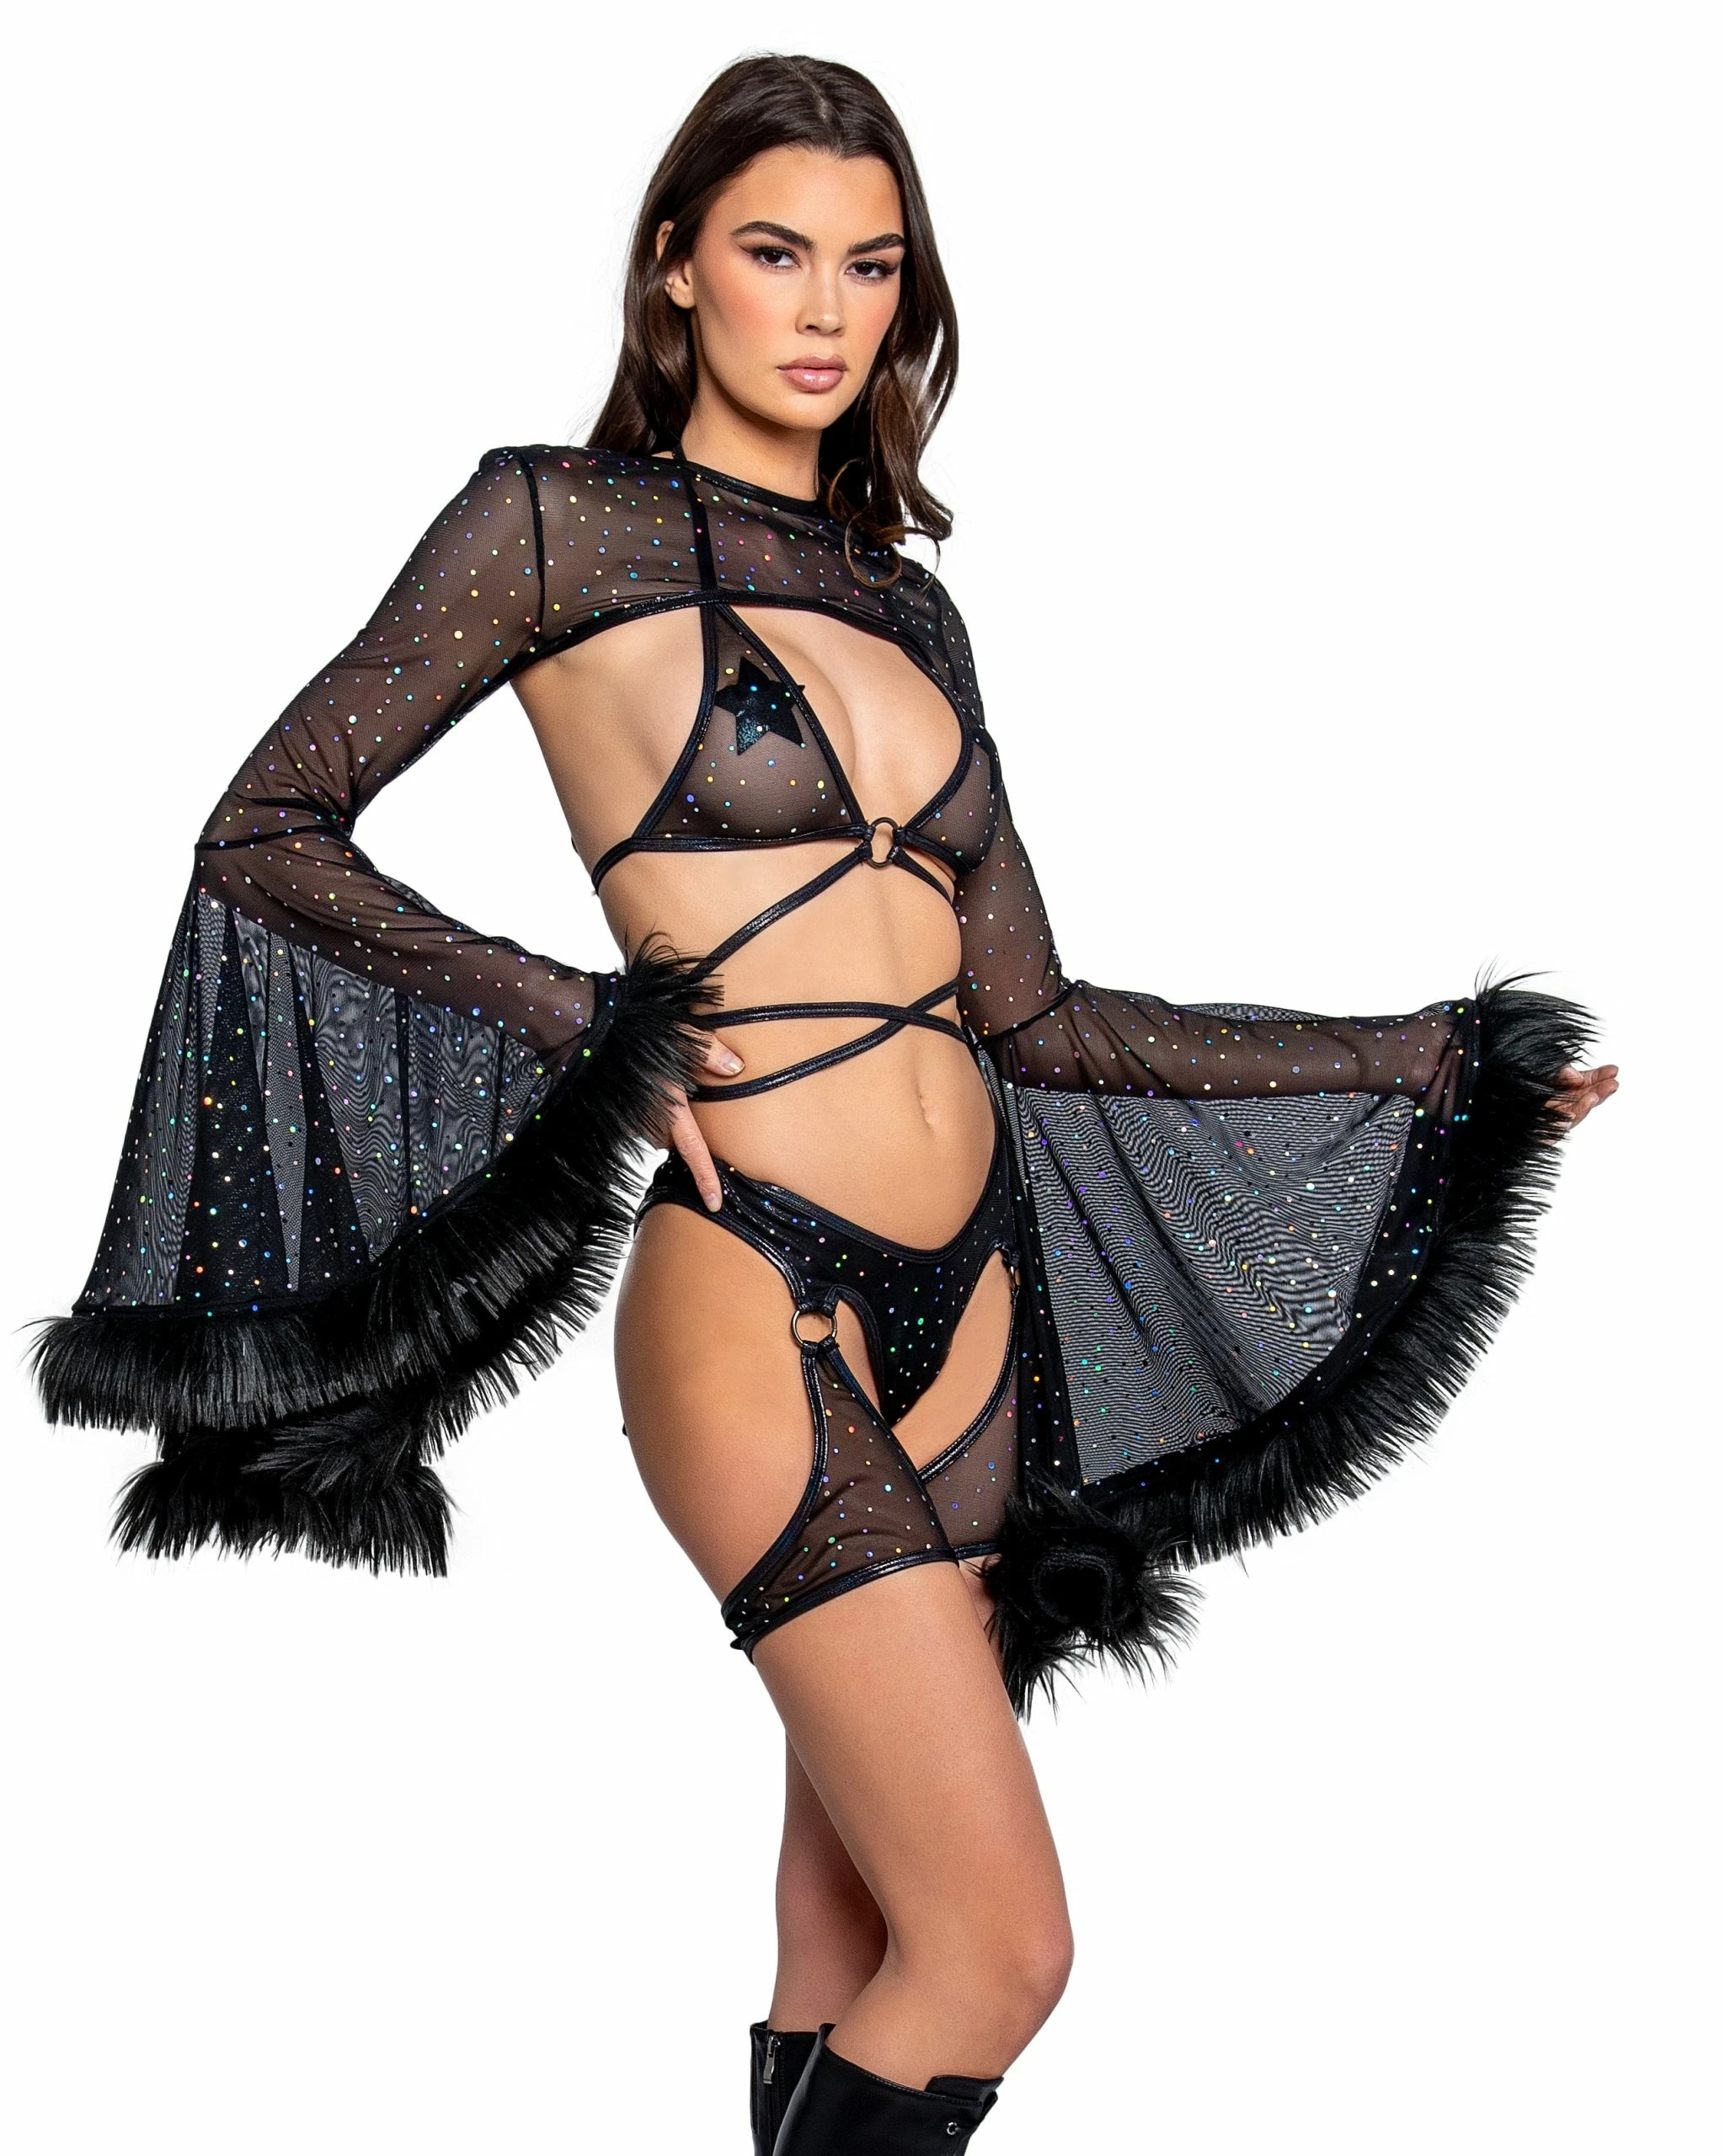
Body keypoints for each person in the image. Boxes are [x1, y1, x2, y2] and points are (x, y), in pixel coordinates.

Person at [29, 52, 1616, 2153]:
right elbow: (267, 831)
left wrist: (1423, 1062)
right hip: (755, 1286)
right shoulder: (552, 526)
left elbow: (1036, 1016)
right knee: (1002, 1946)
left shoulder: (909, 603)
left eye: (872, 267)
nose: (826, 309)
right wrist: (590, 1027)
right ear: (675, 265)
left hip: (977, 1308)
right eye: (776, 252)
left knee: (851, 1930)